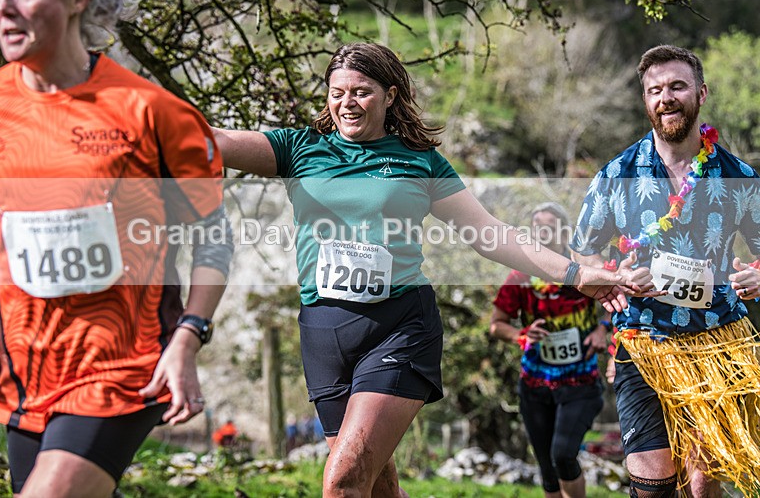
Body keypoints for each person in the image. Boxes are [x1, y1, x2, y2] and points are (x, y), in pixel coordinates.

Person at [212, 42, 636, 497]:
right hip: (323, 330)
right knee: (376, 487)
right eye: (337, 93)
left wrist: (574, 274)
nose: (346, 104)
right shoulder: (299, 149)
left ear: (390, 95)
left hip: (398, 326)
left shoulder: (418, 160)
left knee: (343, 481)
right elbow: (208, 141)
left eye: (361, 92)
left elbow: (491, 235)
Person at [0, 0, 231, 496]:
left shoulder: (151, 112)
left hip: (125, 363)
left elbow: (213, 235)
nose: (3, 7)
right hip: (26, 369)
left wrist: (188, 337)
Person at [572, 44, 760, 497]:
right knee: (654, 484)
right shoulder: (616, 174)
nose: (666, 97)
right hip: (642, 340)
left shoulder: (739, 176)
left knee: (701, 485)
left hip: (716, 342)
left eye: (677, 86)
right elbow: (580, 254)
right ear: (645, 101)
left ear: (701, 92)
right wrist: (609, 279)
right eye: (655, 90)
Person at [490, 202, 609, 498]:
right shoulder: (520, 276)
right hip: (535, 385)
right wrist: (521, 334)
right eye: (537, 225)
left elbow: (615, 302)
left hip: (580, 383)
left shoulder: (581, 270)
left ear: (562, 231)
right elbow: (497, 324)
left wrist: (602, 329)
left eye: (550, 225)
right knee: (547, 468)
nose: (543, 230)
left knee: (564, 456)